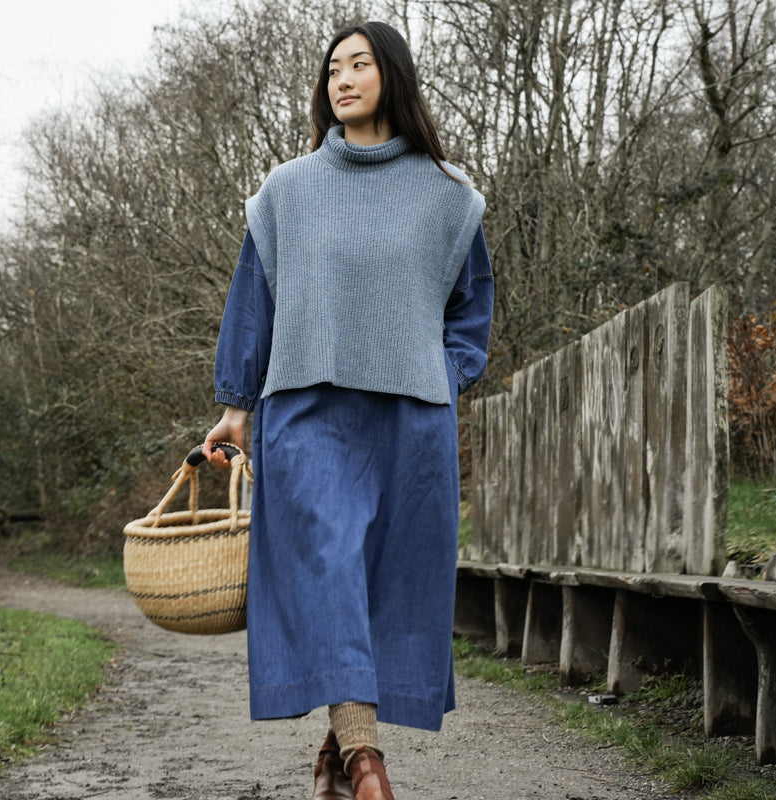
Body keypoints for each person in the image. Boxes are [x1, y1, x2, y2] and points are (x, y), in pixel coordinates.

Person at [201, 20, 494, 800]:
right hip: (307, 414)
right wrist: (235, 405)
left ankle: (337, 750)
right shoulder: (287, 191)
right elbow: (253, 304)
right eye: (333, 68)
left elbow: (470, 313)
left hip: (410, 422)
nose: (343, 78)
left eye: (359, 64)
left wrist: (443, 373)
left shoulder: (448, 195)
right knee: (330, 567)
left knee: (386, 585)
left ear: (391, 76)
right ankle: (367, 764)